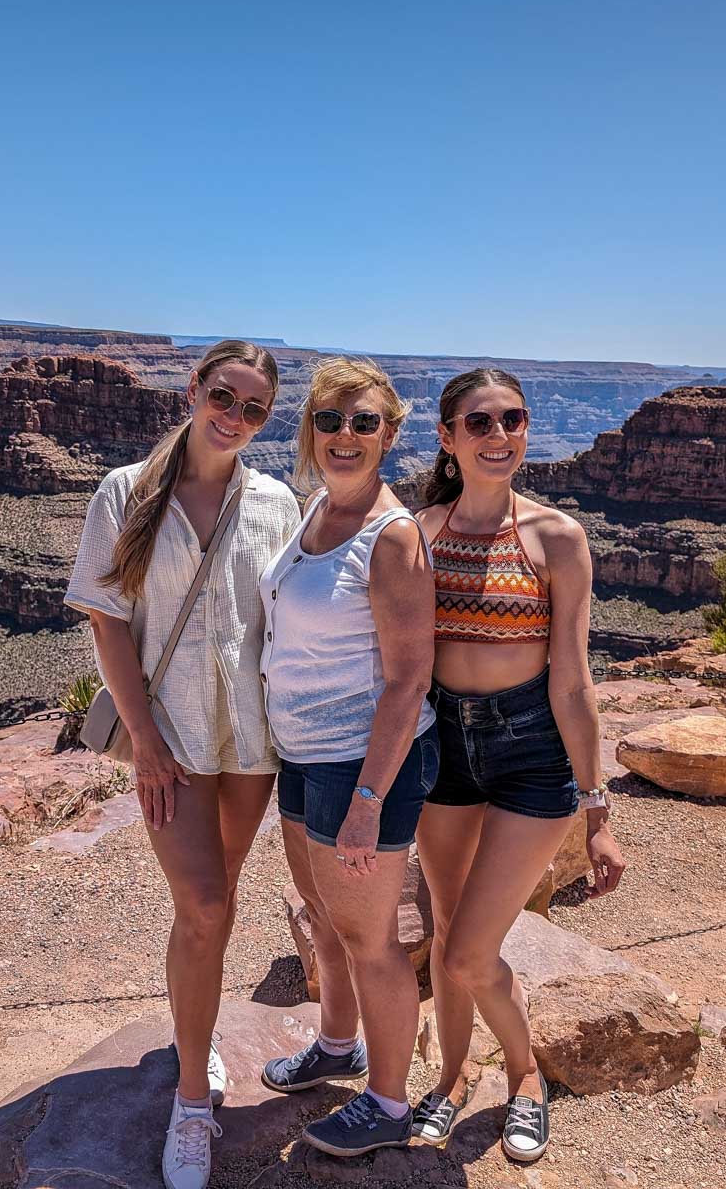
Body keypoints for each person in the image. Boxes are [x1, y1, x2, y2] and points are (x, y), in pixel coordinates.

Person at [64, 340, 300, 1189]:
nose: (233, 418)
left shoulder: (276, 502)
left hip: (253, 740)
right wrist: (146, 743)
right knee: (202, 904)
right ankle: (193, 1101)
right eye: (223, 397)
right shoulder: (125, 492)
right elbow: (106, 625)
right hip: (174, 739)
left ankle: (188, 1037)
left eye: (253, 409)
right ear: (193, 389)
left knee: (221, 898)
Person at [411, 368, 626, 1161]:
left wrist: (595, 808)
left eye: (514, 420)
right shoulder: (419, 531)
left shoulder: (556, 538)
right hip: (444, 750)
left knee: (471, 948)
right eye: (480, 423)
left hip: (530, 749)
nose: (499, 436)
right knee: (443, 931)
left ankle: (526, 1076)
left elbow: (572, 679)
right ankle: (453, 1076)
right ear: (448, 436)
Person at [257, 356, 439, 1158]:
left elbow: (409, 683)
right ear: (310, 430)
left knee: (371, 942)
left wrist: (368, 801)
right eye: (329, 420)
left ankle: (389, 1104)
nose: (344, 435)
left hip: (359, 766)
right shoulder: (315, 511)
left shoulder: (390, 537)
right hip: (302, 756)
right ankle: (338, 1046)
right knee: (324, 920)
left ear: (390, 434)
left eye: (364, 422)